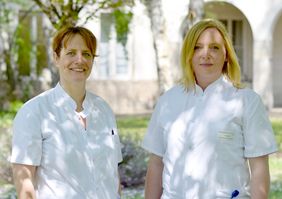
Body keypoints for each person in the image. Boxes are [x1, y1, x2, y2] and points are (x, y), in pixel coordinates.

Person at [142, 18, 278, 199]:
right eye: (197, 47)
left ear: (226, 54)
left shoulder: (247, 101)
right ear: (188, 54)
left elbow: (259, 168)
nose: (206, 54)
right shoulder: (168, 101)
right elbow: (156, 164)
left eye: (214, 47)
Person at [10, 26, 123, 199]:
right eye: (71, 53)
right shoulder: (33, 112)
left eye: (87, 54)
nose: (80, 60)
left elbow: (113, 175)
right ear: (56, 57)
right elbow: (25, 185)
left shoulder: (104, 110)